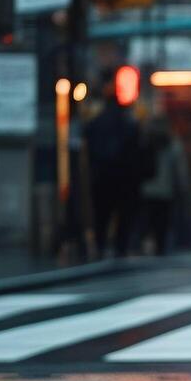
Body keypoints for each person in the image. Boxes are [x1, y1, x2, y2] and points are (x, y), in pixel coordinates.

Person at [82, 85, 139, 258]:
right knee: (123, 214)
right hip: (123, 178)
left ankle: (100, 245)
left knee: (102, 214)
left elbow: (89, 146)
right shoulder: (128, 124)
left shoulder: (96, 123)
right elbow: (135, 153)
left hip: (101, 176)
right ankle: (120, 247)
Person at [137, 118, 183, 256]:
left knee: (147, 220)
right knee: (162, 222)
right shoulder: (172, 144)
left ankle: (143, 244)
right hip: (165, 190)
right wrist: (180, 187)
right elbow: (179, 170)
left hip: (146, 189)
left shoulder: (145, 142)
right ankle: (159, 247)